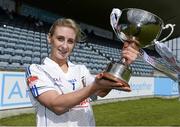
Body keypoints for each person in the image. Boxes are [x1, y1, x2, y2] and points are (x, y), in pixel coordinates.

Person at [26, 18, 139, 127]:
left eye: (70, 41)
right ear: (50, 38)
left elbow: (101, 91)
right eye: (60, 39)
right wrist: (95, 86)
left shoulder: (81, 70)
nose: (65, 46)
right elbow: (56, 106)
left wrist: (124, 62)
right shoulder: (36, 70)